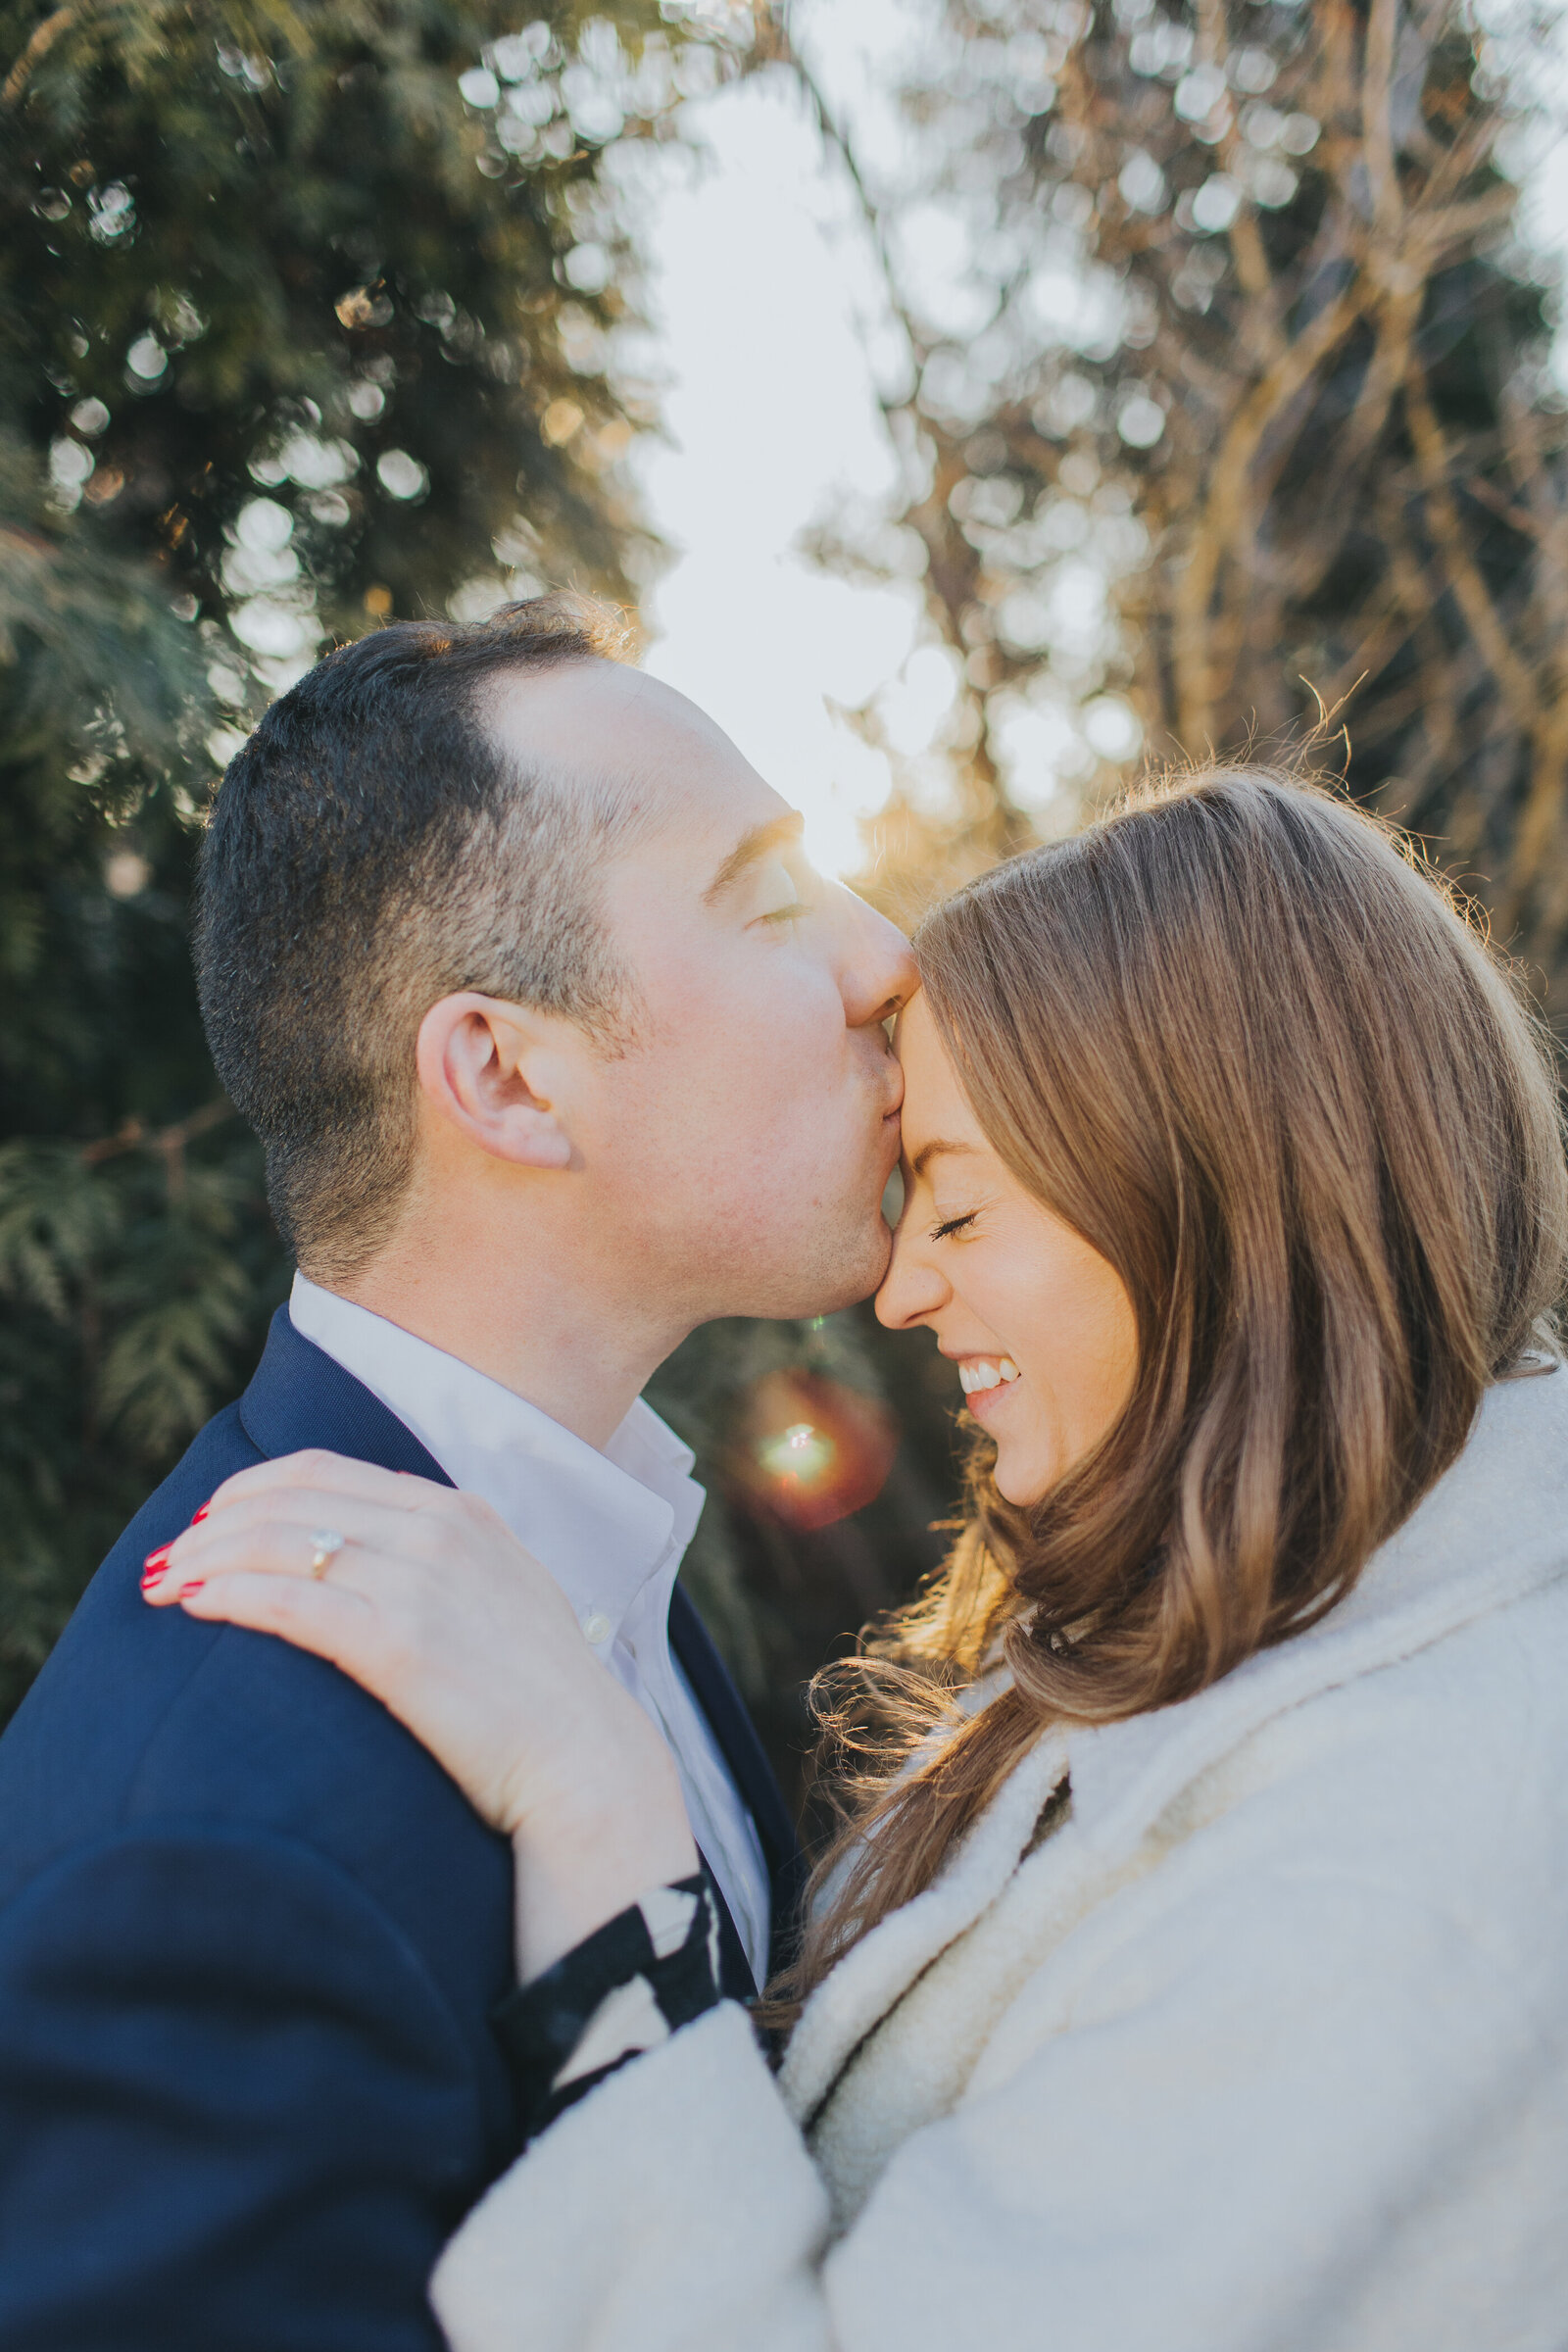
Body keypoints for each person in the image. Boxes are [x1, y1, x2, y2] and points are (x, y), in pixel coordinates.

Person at [153, 769, 1568, 2351]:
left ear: (1214, 1212)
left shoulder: (1408, 1863)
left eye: (958, 1214)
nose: (897, 1289)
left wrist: (596, 1815)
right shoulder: (1255, 1635)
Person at [0, 597, 914, 2348]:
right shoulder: (209, 1849)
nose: (886, 964)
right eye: (773, 899)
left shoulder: (603, 1581)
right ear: (503, 1073)